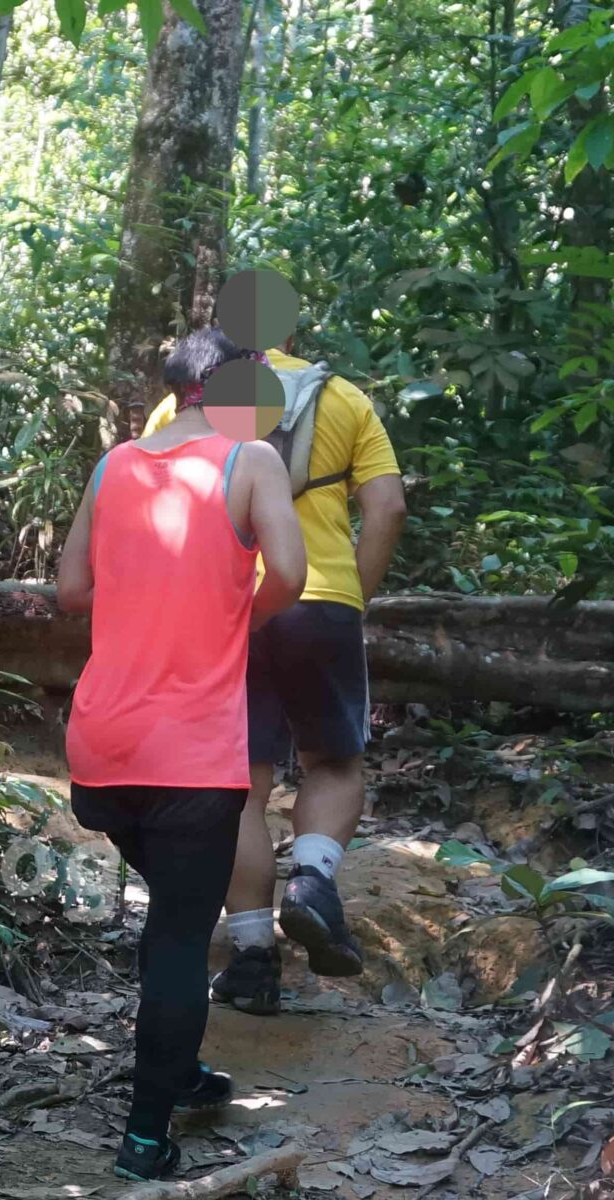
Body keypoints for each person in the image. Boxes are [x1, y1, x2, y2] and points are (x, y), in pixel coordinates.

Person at [55, 327, 309, 1183]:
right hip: (189, 753)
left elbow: (70, 590)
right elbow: (293, 573)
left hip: (102, 746)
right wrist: (240, 616)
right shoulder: (251, 461)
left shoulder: (113, 464)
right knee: (176, 937)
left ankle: (182, 1068)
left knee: (172, 906)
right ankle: (143, 1138)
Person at [208, 336, 408, 1016]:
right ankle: (313, 880)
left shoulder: (197, 397)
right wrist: (354, 594)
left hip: (230, 603)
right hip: (321, 598)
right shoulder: (343, 397)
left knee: (241, 784)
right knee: (334, 761)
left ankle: (253, 958)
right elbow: (388, 508)